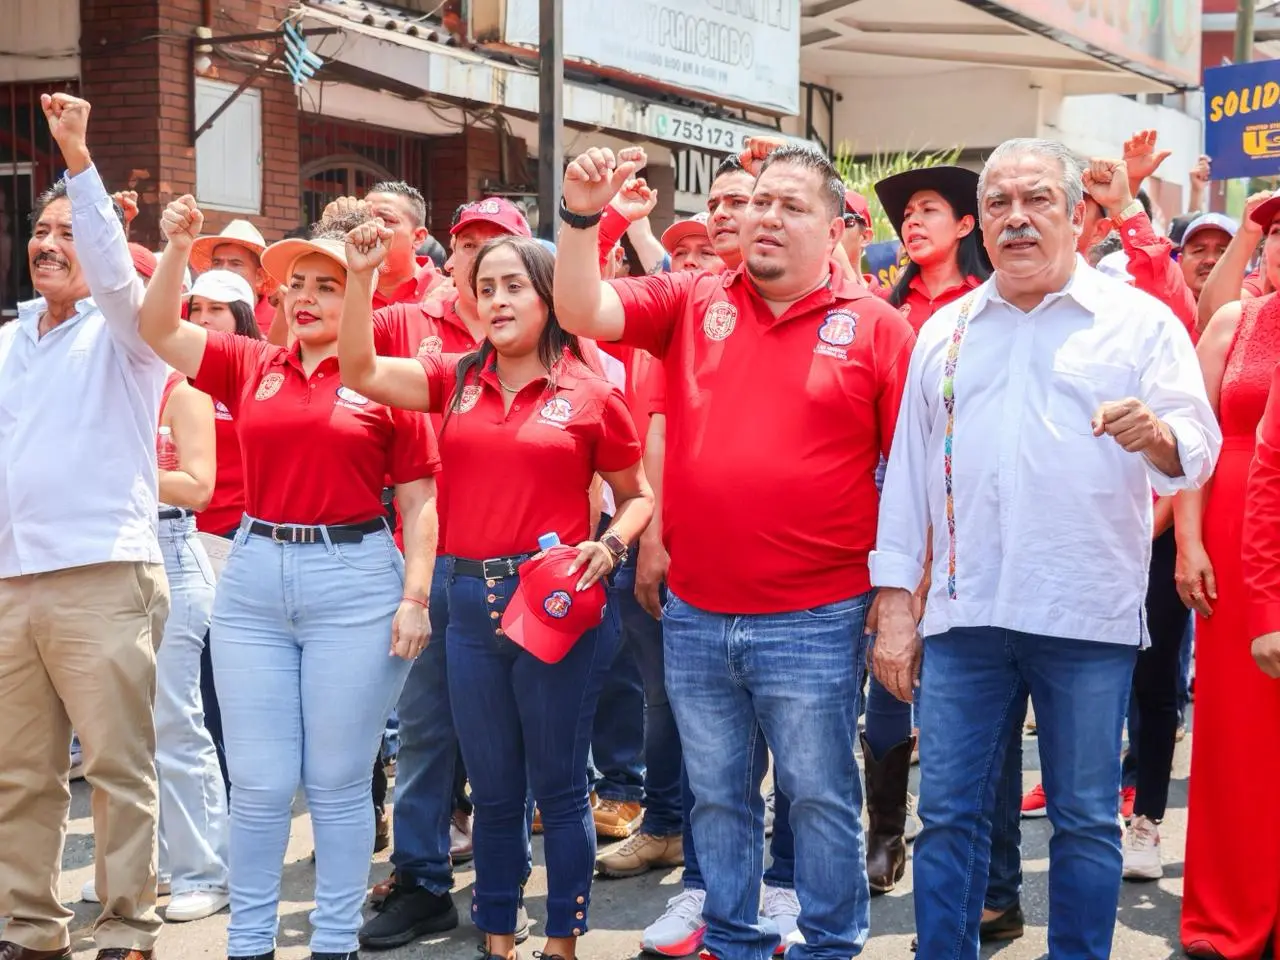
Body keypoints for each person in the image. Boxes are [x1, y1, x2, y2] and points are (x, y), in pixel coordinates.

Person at [553, 141, 915, 960]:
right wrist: (581, 216)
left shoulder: (876, 329)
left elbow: (916, 479)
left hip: (817, 615)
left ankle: (829, 945)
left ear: (835, 228)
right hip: (699, 611)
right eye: (757, 203)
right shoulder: (692, 298)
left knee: (819, 796)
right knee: (717, 797)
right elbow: (581, 309)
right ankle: (734, 939)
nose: (766, 219)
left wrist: (898, 603)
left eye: (791, 207)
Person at [871, 137, 1220, 960]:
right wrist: (894, 602)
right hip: (966, 614)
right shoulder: (947, 330)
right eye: (1000, 204)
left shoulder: (1137, 320)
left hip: (1084, 615)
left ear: (1077, 214)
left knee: (1085, 821)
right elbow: (910, 478)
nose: (1018, 219)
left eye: (1038, 201)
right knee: (949, 815)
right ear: (980, 225)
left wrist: (1160, 435)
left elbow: (1198, 443)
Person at [335, 224, 653, 960]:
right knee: (493, 789)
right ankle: (499, 940)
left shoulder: (592, 392)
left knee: (561, 789)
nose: (497, 300)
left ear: (548, 298)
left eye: (514, 286)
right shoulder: (451, 378)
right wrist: (359, 280)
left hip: (552, 606)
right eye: (485, 289)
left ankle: (564, 944)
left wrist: (608, 547)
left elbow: (639, 496)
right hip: (467, 607)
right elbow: (356, 367)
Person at [136, 194, 441, 960]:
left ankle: (333, 943)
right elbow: (158, 330)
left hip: (357, 580)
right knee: (264, 784)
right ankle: (248, 944)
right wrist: (176, 251)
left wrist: (414, 596)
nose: (303, 298)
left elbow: (420, 500)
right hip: (254, 577)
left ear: (357, 296)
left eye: (325, 285)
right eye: (295, 285)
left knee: (337, 782)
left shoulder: (386, 381)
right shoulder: (251, 364)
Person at [0, 92, 171, 960]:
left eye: (68, 230)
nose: (49, 244)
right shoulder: (7, 340)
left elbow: (112, 269)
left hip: (104, 573)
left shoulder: (127, 333)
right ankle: (32, 929)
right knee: (20, 778)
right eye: (41, 231)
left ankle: (128, 926)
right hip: (11, 583)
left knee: (115, 770)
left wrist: (76, 157)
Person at [355, 197, 534, 952]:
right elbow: (353, 364)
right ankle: (424, 880)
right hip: (434, 562)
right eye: (469, 246)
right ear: (449, 255)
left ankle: (504, 887)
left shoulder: (549, 334)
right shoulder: (410, 323)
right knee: (426, 730)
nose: (483, 260)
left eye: (502, 248)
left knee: (514, 740)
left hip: (524, 563)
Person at [1178, 191, 1280, 959]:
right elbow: (1194, 444)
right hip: (1233, 539)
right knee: (1238, 734)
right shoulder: (1235, 321)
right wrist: (1189, 543)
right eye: (1276, 235)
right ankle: (1228, 909)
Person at [874, 165, 991, 331]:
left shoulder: (989, 300)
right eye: (907, 215)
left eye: (928, 210)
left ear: (964, 226)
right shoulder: (884, 304)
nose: (912, 221)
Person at [321, 182, 443, 309]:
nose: (370, 227)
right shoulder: (339, 289)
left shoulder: (446, 294)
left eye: (385, 220)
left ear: (418, 237)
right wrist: (333, 227)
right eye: (365, 218)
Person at [189, 219, 276, 332]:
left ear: (259, 276)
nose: (223, 270)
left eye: (235, 264)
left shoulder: (279, 323)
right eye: (217, 263)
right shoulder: (192, 313)